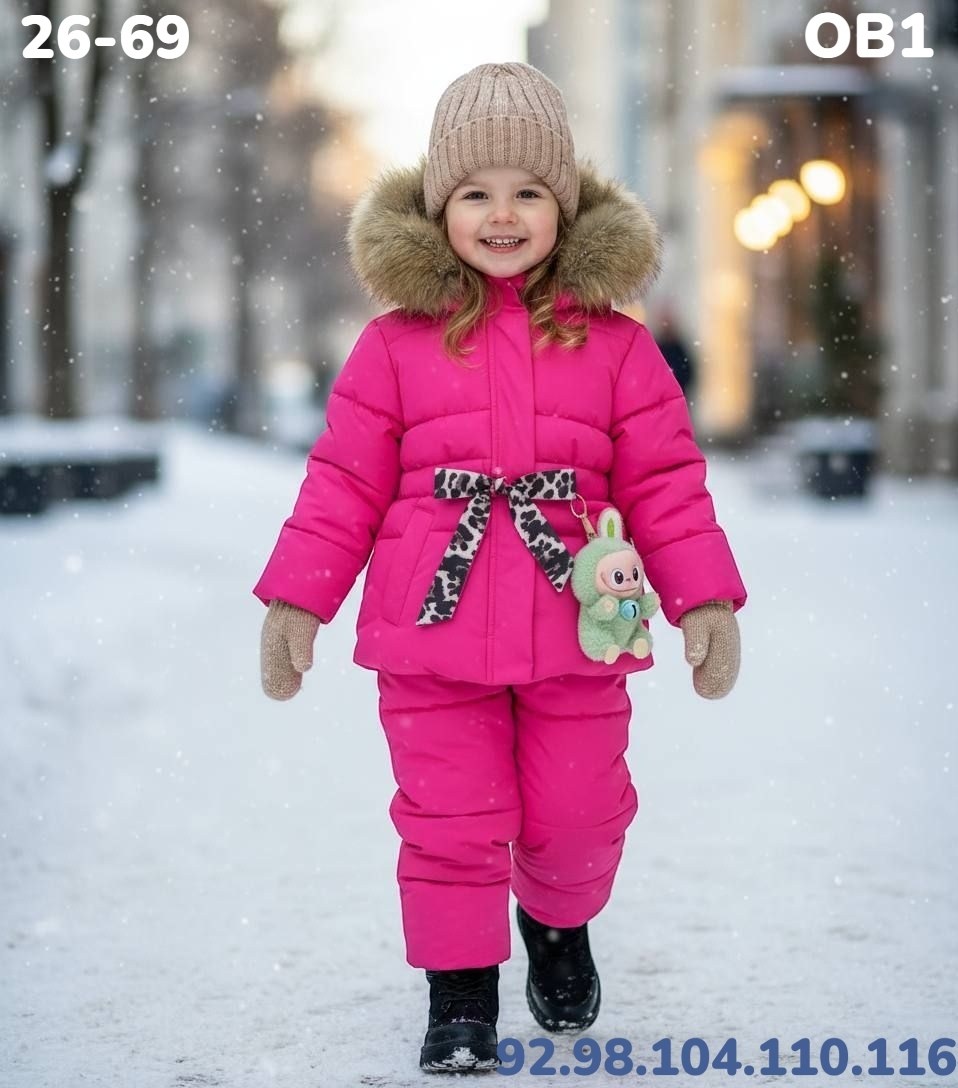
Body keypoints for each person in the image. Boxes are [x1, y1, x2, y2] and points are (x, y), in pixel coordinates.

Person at [254, 62, 747, 1074]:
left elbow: (664, 477)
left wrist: (705, 595)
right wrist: (296, 598)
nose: (503, 213)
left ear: (564, 208)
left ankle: (558, 923)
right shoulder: (392, 346)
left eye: (528, 191)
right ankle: (460, 996)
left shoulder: (616, 344)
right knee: (451, 819)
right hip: (430, 631)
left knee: (576, 811)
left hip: (580, 620)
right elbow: (343, 479)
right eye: (476, 191)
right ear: (440, 211)